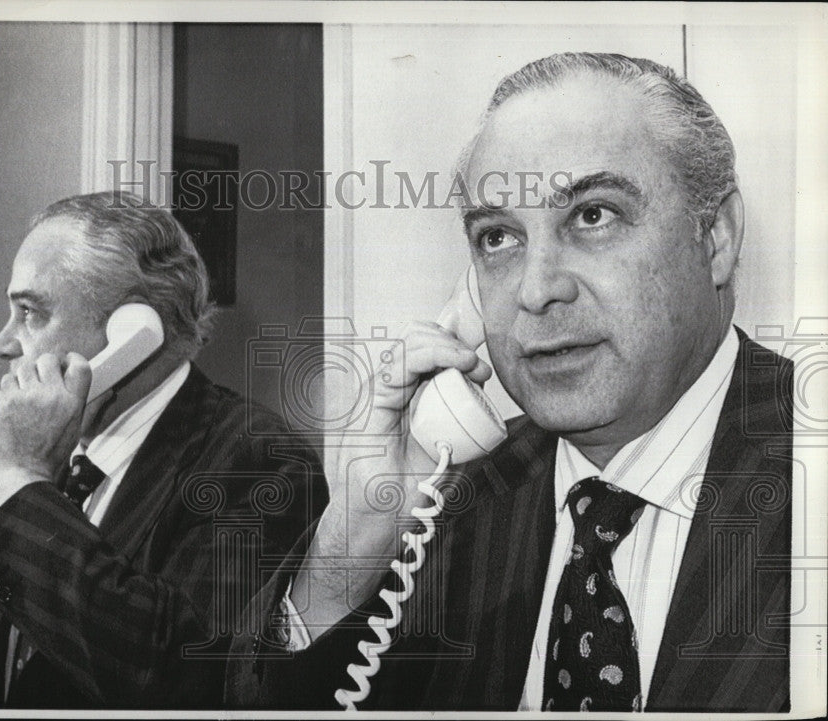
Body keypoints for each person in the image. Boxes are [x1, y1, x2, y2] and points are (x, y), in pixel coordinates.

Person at [226, 53, 792, 712]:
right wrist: (353, 547)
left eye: (592, 216)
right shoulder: (454, 501)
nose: (536, 289)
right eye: (498, 237)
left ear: (716, 236)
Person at [0, 191, 328, 708]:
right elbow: (16, 657)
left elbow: (184, 680)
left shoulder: (260, 462)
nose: (3, 344)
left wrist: (19, 478)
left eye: (30, 312)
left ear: (134, 332)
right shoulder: (63, 445)